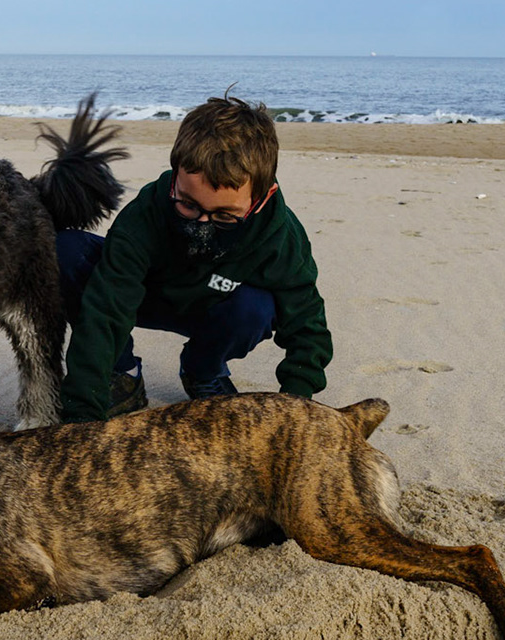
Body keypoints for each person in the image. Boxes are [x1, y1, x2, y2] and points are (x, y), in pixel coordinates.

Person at [57, 94, 331, 421]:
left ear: (262, 197)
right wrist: (81, 415)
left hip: (218, 308)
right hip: (144, 296)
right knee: (66, 250)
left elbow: (306, 325)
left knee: (257, 307)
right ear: (175, 176)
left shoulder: (280, 235)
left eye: (225, 215)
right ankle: (123, 373)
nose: (201, 223)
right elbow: (105, 312)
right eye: (188, 204)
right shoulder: (144, 215)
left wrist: (295, 406)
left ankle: (203, 371)